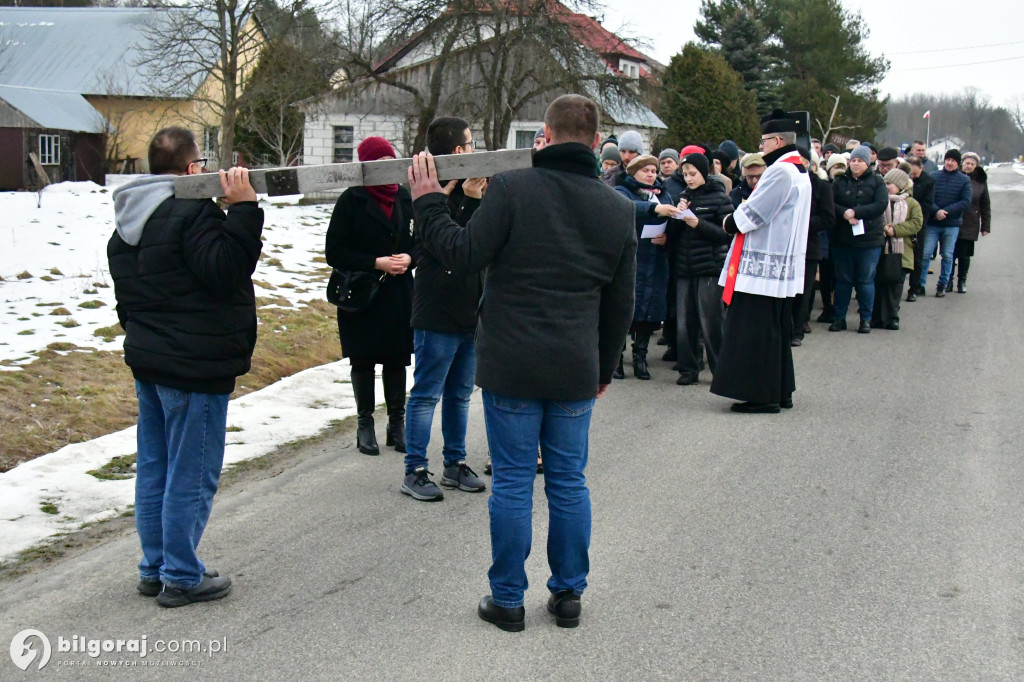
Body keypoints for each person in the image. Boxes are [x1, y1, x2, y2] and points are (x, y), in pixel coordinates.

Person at [408, 94, 636, 632]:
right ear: (595, 139)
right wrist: (602, 369)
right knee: (568, 481)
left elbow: (462, 254)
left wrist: (426, 201)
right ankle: (568, 596)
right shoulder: (618, 207)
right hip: (576, 364)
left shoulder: (513, 187)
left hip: (512, 361)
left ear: (547, 134)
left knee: (513, 481)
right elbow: (619, 305)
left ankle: (508, 599)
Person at [108, 126, 263, 607]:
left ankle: (155, 565)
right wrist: (244, 210)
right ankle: (180, 573)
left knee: (156, 467)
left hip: (151, 362)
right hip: (194, 368)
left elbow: (126, 301)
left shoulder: (127, 221)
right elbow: (226, 271)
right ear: (194, 168)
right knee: (191, 473)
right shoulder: (191, 213)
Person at [402, 118, 487, 502]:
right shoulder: (427, 192)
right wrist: (468, 201)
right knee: (426, 394)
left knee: (460, 394)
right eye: (470, 144)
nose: (474, 150)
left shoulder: (476, 187)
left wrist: (475, 199)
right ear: (457, 152)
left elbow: (480, 246)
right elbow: (447, 245)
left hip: (469, 308)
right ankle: (414, 470)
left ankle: (455, 462)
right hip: (436, 309)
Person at [710, 110, 810, 413]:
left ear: (778, 140)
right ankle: (780, 390)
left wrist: (729, 220)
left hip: (763, 267)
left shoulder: (781, 171)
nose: (762, 146)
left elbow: (753, 214)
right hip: (779, 263)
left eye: (764, 141)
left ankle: (762, 396)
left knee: (756, 333)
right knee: (775, 330)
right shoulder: (798, 169)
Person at [325, 137, 415, 456]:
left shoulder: (404, 196)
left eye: (390, 162)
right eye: (379, 163)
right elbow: (334, 251)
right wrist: (375, 262)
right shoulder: (351, 199)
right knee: (362, 360)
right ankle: (365, 425)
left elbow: (418, 242)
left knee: (396, 359)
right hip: (361, 294)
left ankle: (396, 424)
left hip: (397, 293)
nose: (386, 170)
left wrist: (409, 258)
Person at [669, 152, 733, 385]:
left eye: (693, 174)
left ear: (704, 173)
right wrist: (677, 216)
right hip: (685, 268)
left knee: (712, 321)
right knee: (684, 322)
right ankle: (688, 368)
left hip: (709, 267)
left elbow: (726, 234)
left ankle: (721, 369)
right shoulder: (683, 196)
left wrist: (699, 224)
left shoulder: (719, 198)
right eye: (685, 174)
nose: (688, 178)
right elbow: (673, 237)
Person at [614, 155, 674, 379]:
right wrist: (654, 209)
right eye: (645, 170)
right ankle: (617, 359)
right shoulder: (623, 191)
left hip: (656, 261)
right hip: (633, 258)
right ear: (633, 173)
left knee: (649, 311)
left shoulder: (663, 194)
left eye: (653, 170)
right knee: (625, 309)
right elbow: (627, 208)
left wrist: (668, 237)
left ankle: (641, 356)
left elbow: (673, 221)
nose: (651, 174)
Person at [829, 145, 888, 333]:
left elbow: (880, 204)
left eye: (860, 161)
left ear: (868, 162)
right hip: (843, 238)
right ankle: (839, 318)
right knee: (842, 280)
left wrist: (857, 212)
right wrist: (845, 213)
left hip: (869, 239)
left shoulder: (877, 181)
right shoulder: (839, 181)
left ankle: (866, 319)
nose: (856, 164)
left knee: (865, 280)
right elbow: (831, 202)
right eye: (853, 160)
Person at [791, 147, 834, 346]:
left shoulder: (822, 187)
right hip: (786, 245)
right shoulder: (786, 183)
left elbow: (827, 218)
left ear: (808, 163)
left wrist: (802, 223)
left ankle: (797, 330)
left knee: (804, 290)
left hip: (809, 245)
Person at [871, 169, 923, 329]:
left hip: (901, 251)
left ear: (900, 185)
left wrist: (895, 230)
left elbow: (916, 223)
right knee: (879, 283)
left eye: (889, 183)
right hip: (880, 248)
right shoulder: (879, 200)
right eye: (884, 183)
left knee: (895, 285)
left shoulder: (912, 203)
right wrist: (883, 227)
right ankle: (877, 317)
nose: (886, 187)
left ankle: (892, 317)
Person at [919, 149, 971, 297]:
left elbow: (965, 202)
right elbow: (927, 197)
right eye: (948, 160)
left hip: (951, 223)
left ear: (957, 163)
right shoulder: (934, 176)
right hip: (933, 223)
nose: (949, 163)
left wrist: (946, 212)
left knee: (948, 255)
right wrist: (936, 211)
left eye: (953, 161)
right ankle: (920, 284)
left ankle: (942, 284)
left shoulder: (964, 180)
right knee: (926, 254)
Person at [948, 151, 990, 294]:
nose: (969, 166)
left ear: (976, 166)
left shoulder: (980, 182)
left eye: (972, 164)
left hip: (970, 222)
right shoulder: (954, 177)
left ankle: (962, 281)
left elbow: (985, 205)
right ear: (962, 163)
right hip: (953, 219)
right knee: (950, 253)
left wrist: (986, 226)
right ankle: (948, 280)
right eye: (967, 163)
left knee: (964, 254)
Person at [905, 155, 936, 301]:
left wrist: (914, 214)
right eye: (910, 174)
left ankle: (914, 288)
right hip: (901, 221)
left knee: (918, 257)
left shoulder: (928, 181)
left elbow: (928, 204)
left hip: (919, 223)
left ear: (921, 169)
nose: (913, 176)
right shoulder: (902, 180)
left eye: (915, 174)